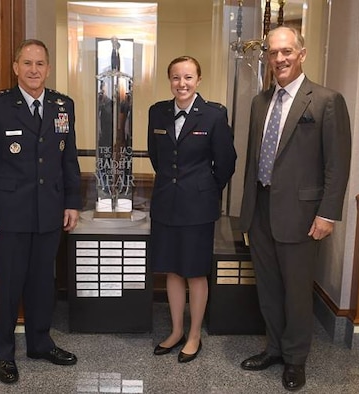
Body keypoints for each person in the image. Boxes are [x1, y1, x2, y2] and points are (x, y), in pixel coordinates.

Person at [239, 26, 351, 391]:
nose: (279, 59)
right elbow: (255, 160)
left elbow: (337, 165)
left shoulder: (325, 101)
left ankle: (295, 359)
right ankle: (273, 348)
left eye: (287, 51)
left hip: (303, 218)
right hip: (261, 212)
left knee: (298, 293)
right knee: (268, 290)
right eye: (273, 53)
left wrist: (327, 213)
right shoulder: (259, 102)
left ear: (302, 54)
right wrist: (247, 212)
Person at [0, 39, 82, 384]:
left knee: (42, 283)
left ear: (48, 68)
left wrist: (72, 201)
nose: (34, 70)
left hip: (48, 212)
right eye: (27, 63)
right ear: (16, 67)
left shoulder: (63, 106)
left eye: (40, 64)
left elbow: (68, 158)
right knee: (9, 284)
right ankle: (3, 353)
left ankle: (40, 343)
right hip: (8, 215)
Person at [148, 56, 237, 363]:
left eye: (188, 77)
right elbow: (156, 157)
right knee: (173, 270)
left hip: (198, 207)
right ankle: (175, 331)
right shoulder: (157, 112)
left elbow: (226, 162)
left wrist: (206, 189)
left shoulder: (213, 115)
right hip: (165, 204)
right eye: (175, 77)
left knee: (195, 272)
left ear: (198, 80)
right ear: (169, 80)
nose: (181, 84)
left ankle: (195, 334)